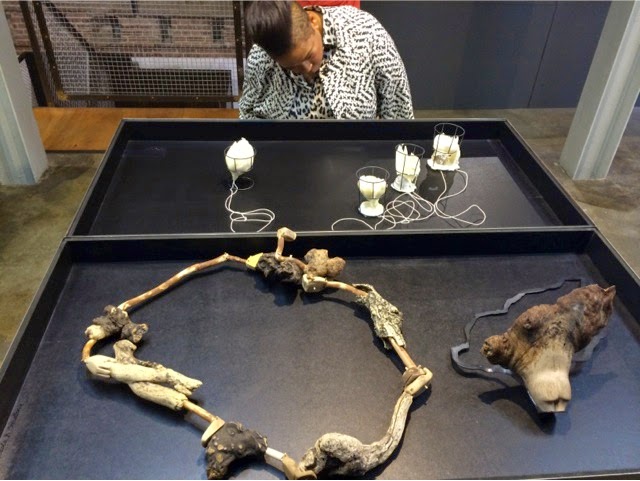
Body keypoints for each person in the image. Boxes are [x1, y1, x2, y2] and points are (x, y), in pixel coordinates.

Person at [240, 1, 413, 120]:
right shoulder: (260, 57)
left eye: (308, 55)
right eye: (292, 67)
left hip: (355, 155)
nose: (307, 69)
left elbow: (399, 116)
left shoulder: (367, 32)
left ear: (313, 21)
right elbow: (247, 118)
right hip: (284, 155)